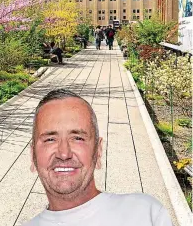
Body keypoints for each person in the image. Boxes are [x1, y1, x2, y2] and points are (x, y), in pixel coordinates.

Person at [24, 89, 173, 226]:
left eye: (77, 138)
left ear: (98, 150)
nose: (64, 153)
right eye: (50, 139)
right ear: (33, 155)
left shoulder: (146, 213)